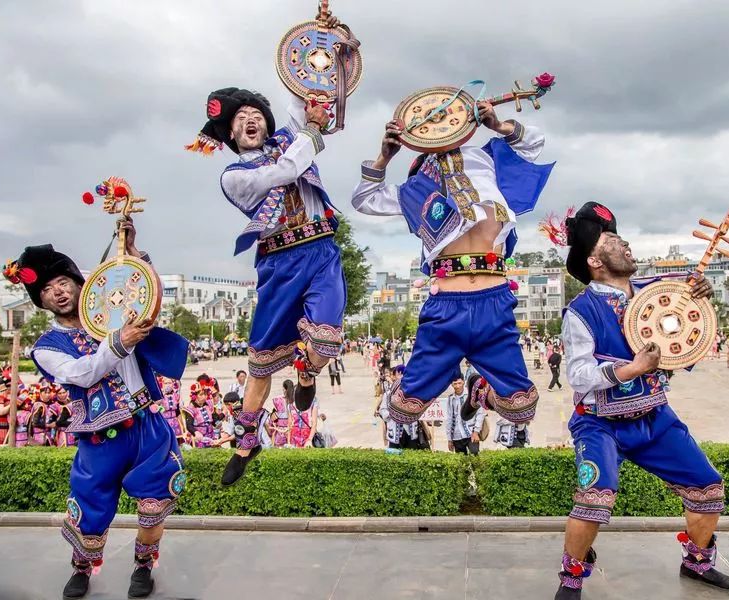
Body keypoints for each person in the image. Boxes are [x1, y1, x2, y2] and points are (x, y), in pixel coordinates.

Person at [554, 202, 729, 597]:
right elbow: (579, 375)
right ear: (594, 261)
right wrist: (632, 369)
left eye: (621, 238)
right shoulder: (581, 311)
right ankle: (571, 579)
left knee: (707, 488)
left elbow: (683, 335)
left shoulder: (657, 293)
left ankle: (698, 562)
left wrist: (698, 299)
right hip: (600, 423)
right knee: (594, 499)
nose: (624, 244)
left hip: (655, 416)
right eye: (611, 240)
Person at [189, 35, 348, 483]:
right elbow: (285, 171)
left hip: (321, 251)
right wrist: (310, 132)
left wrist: (326, 49)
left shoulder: (289, 140)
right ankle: (247, 439)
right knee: (260, 360)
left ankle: (308, 372)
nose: (250, 119)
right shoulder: (235, 176)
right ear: (230, 135)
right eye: (240, 119)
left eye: (255, 113)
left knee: (326, 342)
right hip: (279, 262)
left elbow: (306, 94)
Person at [352, 91, 553, 432]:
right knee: (403, 410)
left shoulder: (486, 157)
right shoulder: (415, 187)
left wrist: (498, 125)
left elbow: (533, 142)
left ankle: (478, 393)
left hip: (494, 301)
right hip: (445, 307)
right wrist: (385, 156)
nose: (436, 123)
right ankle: (445, 376)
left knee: (522, 408)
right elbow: (364, 199)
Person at [7, 236, 188, 599]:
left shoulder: (116, 313)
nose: (58, 292)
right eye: (46, 289)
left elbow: (147, 291)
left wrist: (132, 251)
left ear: (79, 282)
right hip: (99, 438)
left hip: (147, 425)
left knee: (154, 504)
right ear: (41, 301)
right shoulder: (46, 347)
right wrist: (120, 341)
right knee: (90, 510)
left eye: (62, 282)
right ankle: (82, 567)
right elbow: (83, 372)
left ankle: (143, 564)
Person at [445, 374, 484, 455]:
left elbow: (480, 414)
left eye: (459, 383)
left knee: (475, 455)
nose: (457, 386)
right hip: (457, 435)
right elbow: (449, 419)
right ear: (451, 384)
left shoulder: (472, 395)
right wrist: (449, 439)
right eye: (455, 384)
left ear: (463, 382)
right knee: (461, 460)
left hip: (471, 433)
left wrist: (476, 432)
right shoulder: (450, 398)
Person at [183, 383, 218, 448]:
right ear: (195, 396)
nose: (204, 397)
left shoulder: (209, 405)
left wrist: (217, 422)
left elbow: (214, 419)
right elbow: (189, 425)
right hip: (198, 438)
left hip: (211, 436)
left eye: (205, 394)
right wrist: (195, 432)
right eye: (201, 394)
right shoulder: (191, 409)